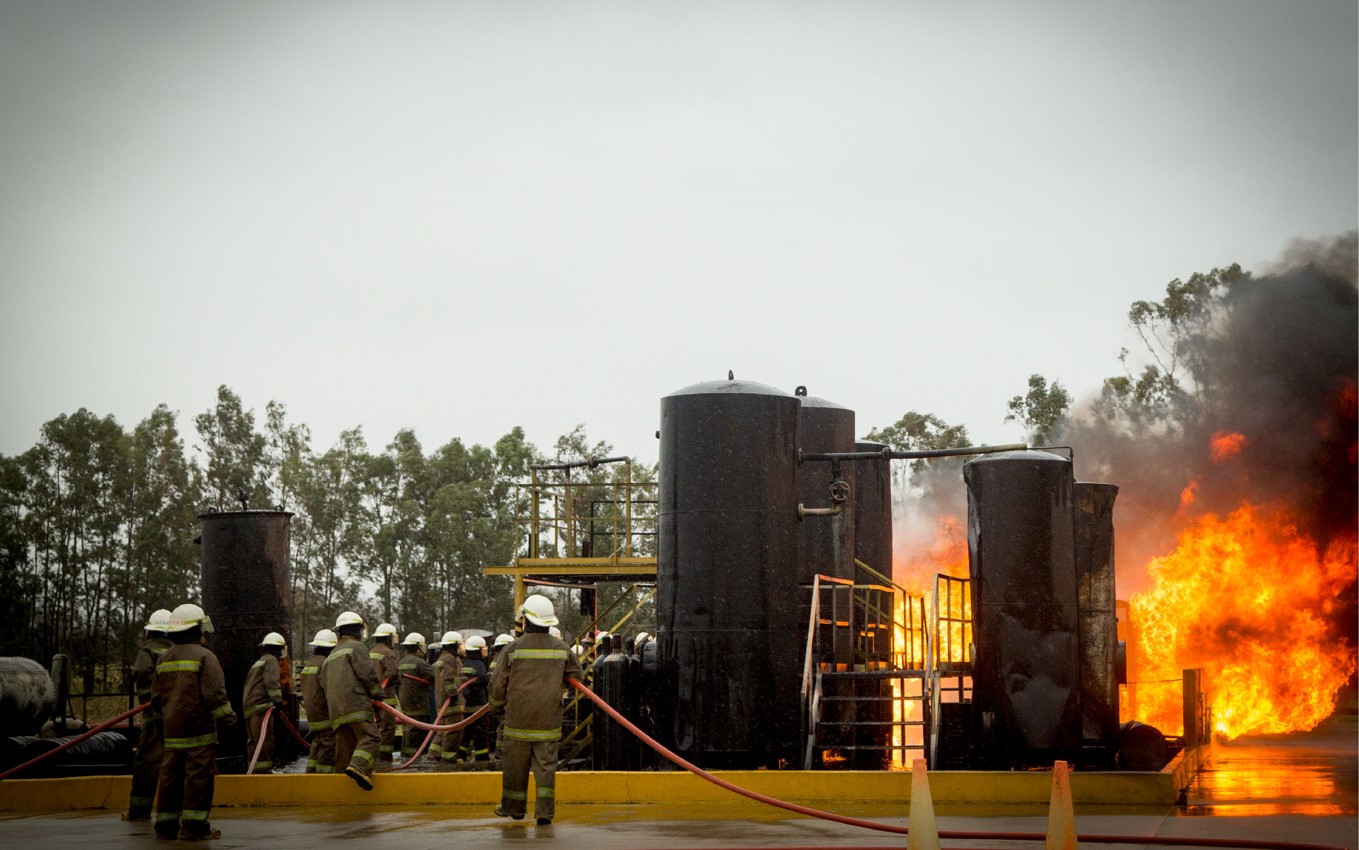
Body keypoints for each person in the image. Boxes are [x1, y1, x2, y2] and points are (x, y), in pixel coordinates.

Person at [489, 594, 583, 826]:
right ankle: (544, 813)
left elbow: (497, 685)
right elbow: (578, 676)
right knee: (545, 769)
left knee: (515, 767)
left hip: (517, 721)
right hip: (548, 722)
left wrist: (497, 706)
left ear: (525, 621)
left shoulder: (512, 649)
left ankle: (514, 809)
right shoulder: (562, 649)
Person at [153, 603, 235, 841]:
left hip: (172, 733)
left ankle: (165, 827)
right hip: (199, 733)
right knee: (198, 780)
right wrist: (229, 720)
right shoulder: (205, 657)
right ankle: (194, 828)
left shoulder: (164, 659)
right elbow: (215, 696)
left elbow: (156, 700)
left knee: (169, 779)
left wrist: (161, 728)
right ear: (196, 629)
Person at [323, 611, 382, 790]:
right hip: (356, 705)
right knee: (371, 737)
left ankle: (342, 786)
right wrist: (378, 694)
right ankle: (359, 767)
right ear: (358, 630)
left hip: (336, 711)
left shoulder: (331, 655)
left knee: (345, 747)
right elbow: (367, 674)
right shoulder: (357, 647)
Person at [124, 608, 172, 822]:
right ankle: (173, 812)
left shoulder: (148, 650)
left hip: (154, 716)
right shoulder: (177, 650)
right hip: (177, 715)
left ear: (151, 631)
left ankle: (139, 811)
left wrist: (148, 701)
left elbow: (142, 674)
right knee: (174, 763)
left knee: (147, 762)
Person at [242, 631, 286, 773]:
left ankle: (253, 771)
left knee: (253, 742)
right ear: (277, 649)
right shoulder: (271, 660)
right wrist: (278, 702)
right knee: (264, 741)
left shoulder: (258, 662)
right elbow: (271, 682)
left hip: (250, 708)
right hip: (261, 708)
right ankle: (264, 773)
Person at [300, 629, 337, 774]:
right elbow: (329, 689)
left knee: (318, 741)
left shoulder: (310, 664)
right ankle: (323, 775)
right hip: (324, 711)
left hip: (312, 713)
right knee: (329, 743)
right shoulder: (325, 664)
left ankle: (311, 772)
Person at [396, 632, 434, 758]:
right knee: (418, 731)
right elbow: (435, 677)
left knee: (409, 728)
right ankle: (415, 759)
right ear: (417, 647)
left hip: (405, 702)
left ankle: (406, 755)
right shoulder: (420, 663)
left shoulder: (401, 662)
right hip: (419, 703)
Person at [432, 630, 464, 764]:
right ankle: (449, 757)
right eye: (459, 645)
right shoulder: (449, 658)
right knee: (454, 730)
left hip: (442, 700)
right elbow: (447, 678)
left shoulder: (442, 658)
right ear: (453, 645)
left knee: (442, 730)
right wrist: (454, 694)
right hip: (450, 702)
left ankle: (433, 754)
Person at [370, 622, 400, 761]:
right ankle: (384, 757)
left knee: (376, 727)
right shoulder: (388, 653)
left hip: (372, 697)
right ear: (389, 638)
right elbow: (394, 674)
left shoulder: (370, 652)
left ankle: (374, 755)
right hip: (386, 697)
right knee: (387, 728)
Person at [460, 635, 491, 761]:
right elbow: (483, 679)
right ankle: (482, 756)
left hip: (467, 704)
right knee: (480, 732)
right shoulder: (479, 664)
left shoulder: (466, 662)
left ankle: (461, 753)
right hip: (478, 705)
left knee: (467, 731)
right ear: (478, 650)